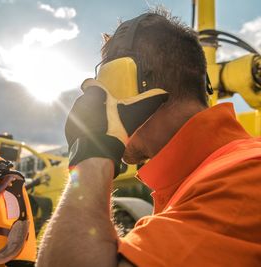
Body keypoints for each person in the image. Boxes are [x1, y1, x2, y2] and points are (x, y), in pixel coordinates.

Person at [36, 8, 261, 267]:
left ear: (133, 85)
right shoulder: (200, 181)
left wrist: (92, 151)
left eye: (106, 87)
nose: (100, 99)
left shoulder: (242, 178)